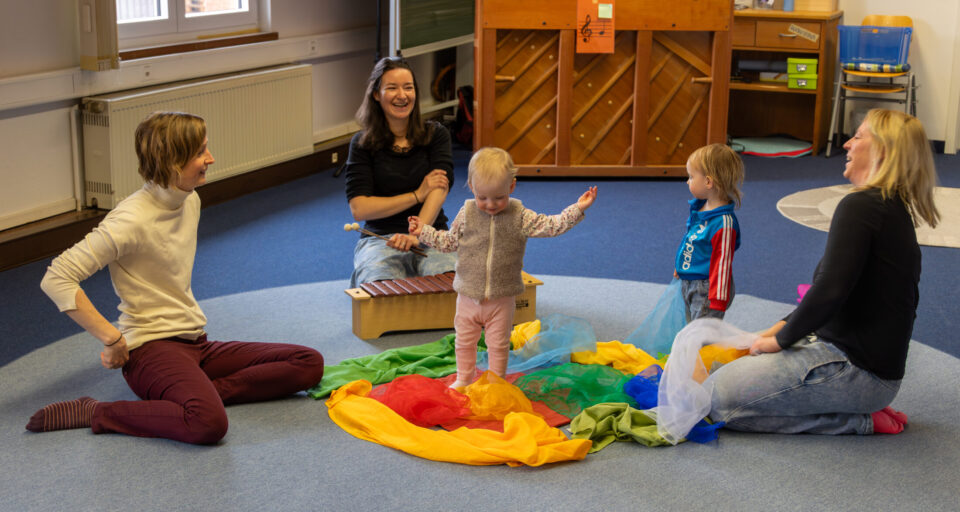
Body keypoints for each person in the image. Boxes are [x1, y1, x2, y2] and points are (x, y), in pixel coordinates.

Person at [27, 112, 325, 444]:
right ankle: (97, 411)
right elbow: (57, 277)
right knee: (209, 424)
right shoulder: (130, 220)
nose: (210, 158)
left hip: (196, 343)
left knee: (308, 363)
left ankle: (201, 394)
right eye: (200, 152)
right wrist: (112, 339)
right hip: (149, 351)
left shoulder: (190, 198)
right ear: (172, 163)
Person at [709, 109, 940, 435]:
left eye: (858, 136)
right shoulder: (887, 206)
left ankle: (855, 420)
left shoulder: (862, 206)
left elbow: (830, 291)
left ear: (883, 150)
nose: (846, 144)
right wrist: (773, 331)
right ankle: (850, 404)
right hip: (868, 370)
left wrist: (780, 341)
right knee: (719, 368)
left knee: (713, 402)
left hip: (856, 372)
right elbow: (834, 291)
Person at [398, 147, 597, 388]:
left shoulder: (519, 215)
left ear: (511, 186)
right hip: (468, 295)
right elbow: (449, 242)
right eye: (483, 198)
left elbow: (551, 225)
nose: (490, 204)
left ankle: (496, 382)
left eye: (499, 197)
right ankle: (464, 378)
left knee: (499, 344)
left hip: (501, 298)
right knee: (464, 341)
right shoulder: (467, 213)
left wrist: (577, 209)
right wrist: (424, 231)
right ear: (472, 187)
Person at [344, 57, 458, 287]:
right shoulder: (362, 143)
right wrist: (417, 194)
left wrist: (416, 235)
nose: (402, 95)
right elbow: (359, 208)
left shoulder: (436, 135)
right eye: (392, 88)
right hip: (380, 239)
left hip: (431, 232)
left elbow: (438, 189)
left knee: (453, 285)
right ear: (376, 94)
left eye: (408, 87)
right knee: (380, 290)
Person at [674, 143, 744, 322]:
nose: (687, 181)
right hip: (689, 281)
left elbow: (723, 262)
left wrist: (718, 300)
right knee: (691, 329)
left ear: (708, 182)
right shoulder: (701, 207)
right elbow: (692, 240)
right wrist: (683, 265)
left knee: (702, 333)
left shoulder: (724, 224)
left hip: (707, 290)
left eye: (691, 176)